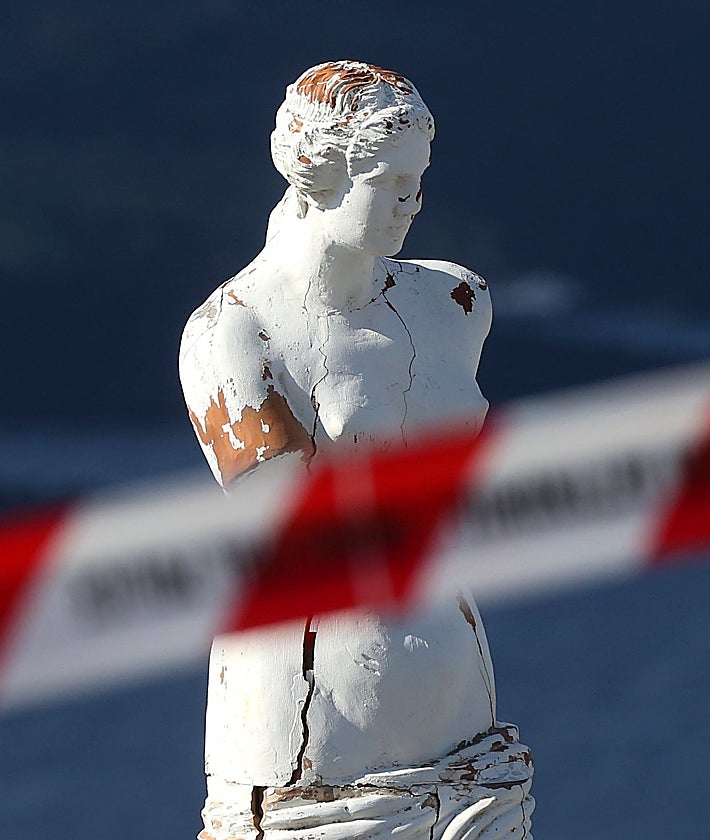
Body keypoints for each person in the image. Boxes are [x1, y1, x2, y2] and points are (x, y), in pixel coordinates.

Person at [180, 61, 532, 839]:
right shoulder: (234, 336)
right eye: (388, 179)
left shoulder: (454, 303)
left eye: (420, 180)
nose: (410, 200)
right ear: (316, 172)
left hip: (465, 712)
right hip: (310, 726)